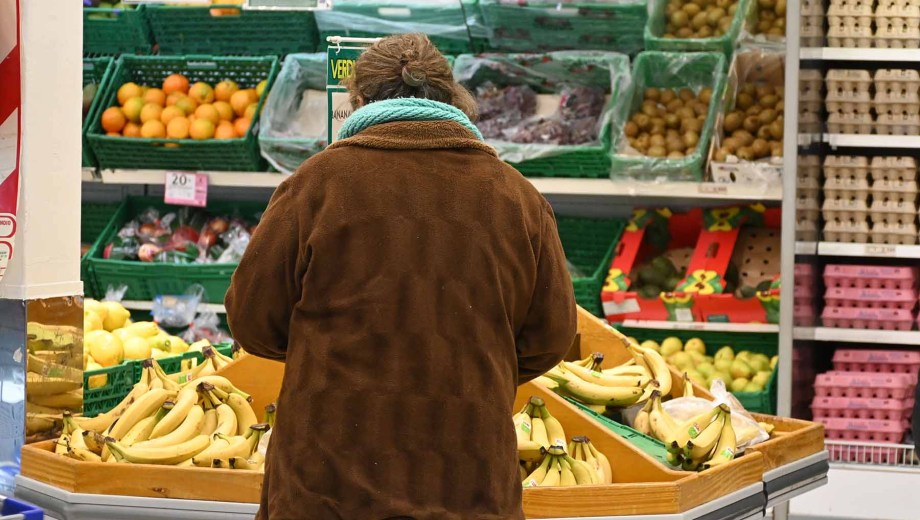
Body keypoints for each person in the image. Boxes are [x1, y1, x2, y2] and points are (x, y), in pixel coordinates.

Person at [225, 33, 577, 520]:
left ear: (359, 101)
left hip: (326, 483)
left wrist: (332, 349)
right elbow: (551, 337)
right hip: (467, 479)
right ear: (453, 97)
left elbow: (251, 321)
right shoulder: (515, 198)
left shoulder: (315, 185)